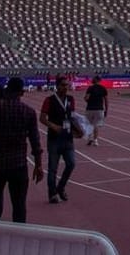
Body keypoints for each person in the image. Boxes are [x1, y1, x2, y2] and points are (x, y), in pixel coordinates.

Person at [0, 77, 44, 224]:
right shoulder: (29, 112)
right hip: (18, 165)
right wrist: (38, 165)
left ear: (6, 91)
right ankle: (17, 238)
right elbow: (35, 142)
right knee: (19, 207)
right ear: (22, 92)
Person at [39, 75, 78, 203]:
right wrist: (53, 125)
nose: (65, 87)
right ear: (57, 86)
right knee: (53, 168)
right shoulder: (49, 100)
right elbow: (42, 118)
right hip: (54, 139)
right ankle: (52, 194)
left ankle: (60, 187)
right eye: (63, 85)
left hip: (67, 138)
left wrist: (79, 129)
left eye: (67, 85)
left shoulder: (71, 99)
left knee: (71, 163)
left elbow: (72, 117)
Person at [82, 77, 108, 147]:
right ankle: (95, 140)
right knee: (96, 125)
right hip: (99, 109)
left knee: (89, 124)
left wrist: (89, 101)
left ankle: (90, 139)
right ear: (100, 81)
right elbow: (106, 100)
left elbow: (86, 98)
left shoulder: (90, 88)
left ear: (95, 80)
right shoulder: (103, 88)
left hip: (90, 108)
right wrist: (106, 110)